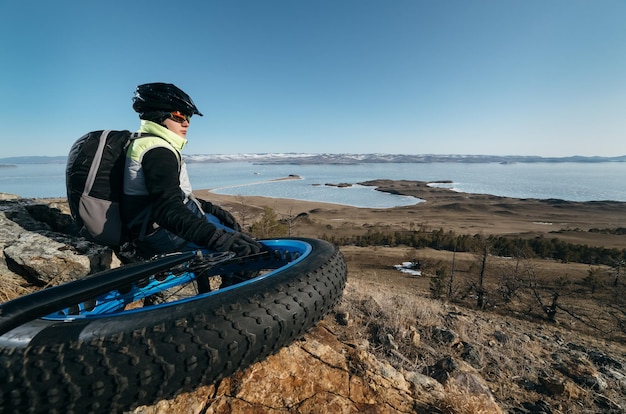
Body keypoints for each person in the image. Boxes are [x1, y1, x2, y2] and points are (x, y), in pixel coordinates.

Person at [122, 82, 263, 259]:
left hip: (164, 226)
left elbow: (168, 195)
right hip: (165, 234)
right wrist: (216, 238)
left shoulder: (147, 143)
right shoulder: (158, 151)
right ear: (157, 115)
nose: (187, 123)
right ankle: (235, 286)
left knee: (233, 233)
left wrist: (211, 208)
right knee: (249, 254)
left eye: (189, 117)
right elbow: (167, 209)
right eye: (179, 116)